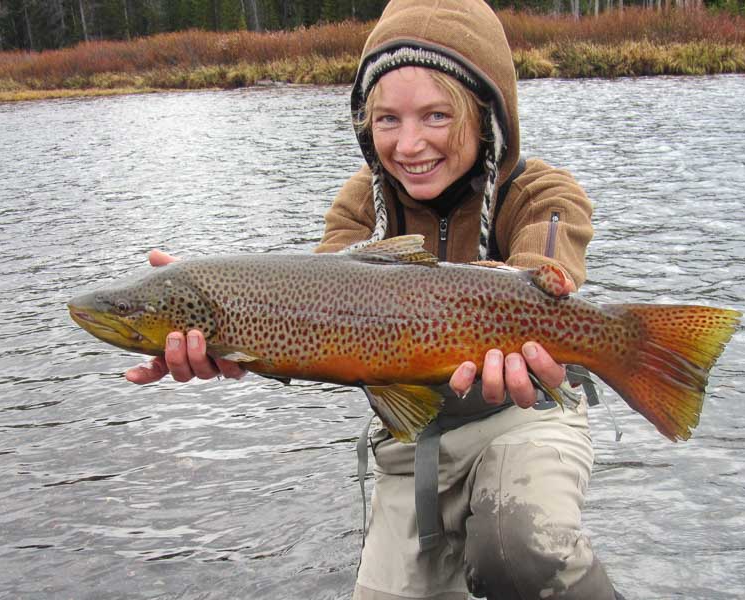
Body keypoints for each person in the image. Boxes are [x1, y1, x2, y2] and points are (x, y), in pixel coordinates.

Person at [127, 1, 623, 598]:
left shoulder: (538, 189)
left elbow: (546, 263)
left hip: (526, 416)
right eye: (387, 120)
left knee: (518, 551)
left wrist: (530, 292)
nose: (409, 144)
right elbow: (313, 305)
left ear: (487, 116)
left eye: (436, 116)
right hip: (411, 440)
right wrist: (215, 305)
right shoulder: (361, 204)